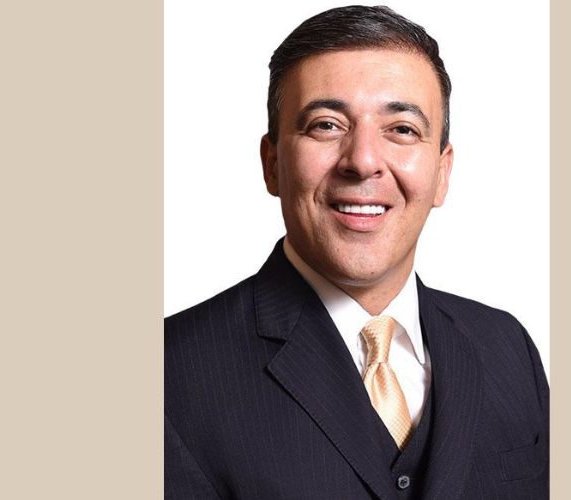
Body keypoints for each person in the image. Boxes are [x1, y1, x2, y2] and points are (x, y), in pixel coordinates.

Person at [165, 6, 548, 499]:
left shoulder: (508, 348)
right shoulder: (168, 375)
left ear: (442, 172)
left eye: (402, 129)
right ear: (272, 164)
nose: (363, 161)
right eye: (326, 125)